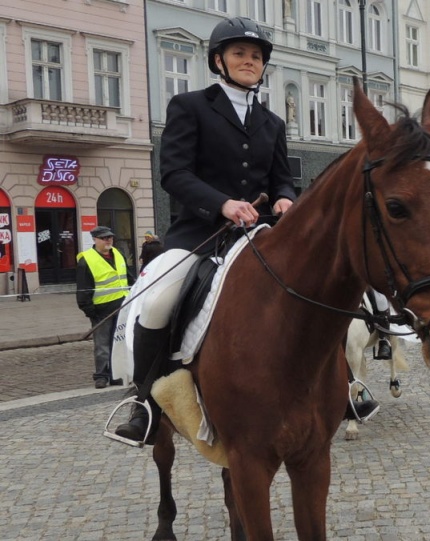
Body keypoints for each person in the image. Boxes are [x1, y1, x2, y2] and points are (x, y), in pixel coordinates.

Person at [113, 17, 375, 444]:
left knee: (322, 293)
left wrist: (287, 198)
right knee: (159, 300)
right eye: (239, 53)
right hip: (200, 232)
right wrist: (222, 203)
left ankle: (345, 388)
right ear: (219, 60)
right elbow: (174, 173)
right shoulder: (190, 105)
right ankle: (143, 402)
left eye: (255, 56)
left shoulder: (272, 122)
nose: (248, 61)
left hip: (260, 234)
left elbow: (280, 179)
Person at [76, 226, 134, 389]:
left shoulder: (118, 254)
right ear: (95, 240)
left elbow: (128, 278)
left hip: (122, 307)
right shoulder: (86, 260)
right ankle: (101, 376)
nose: (108, 240)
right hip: (101, 310)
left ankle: (116, 374)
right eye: (104, 238)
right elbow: (83, 289)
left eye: (110, 237)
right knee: (102, 345)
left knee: (118, 343)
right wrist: (89, 310)